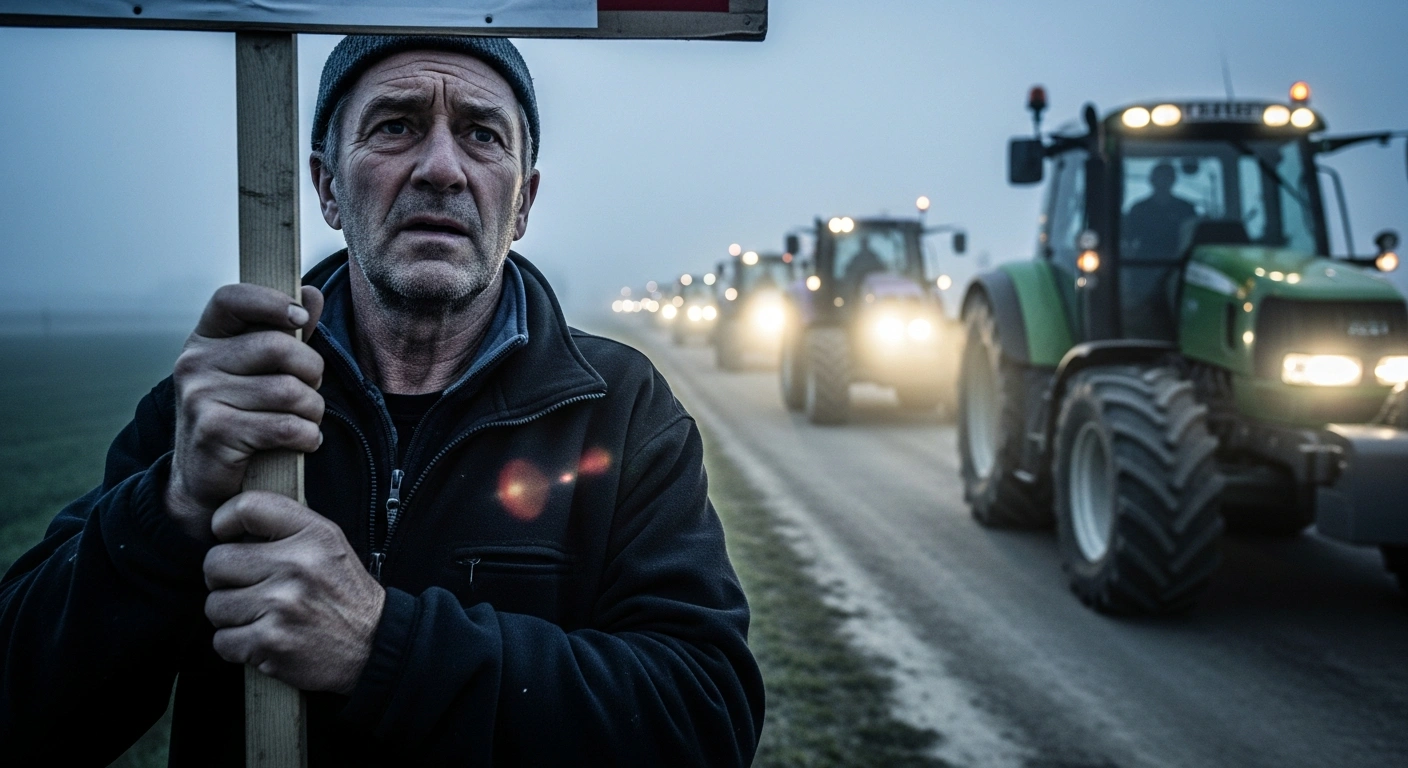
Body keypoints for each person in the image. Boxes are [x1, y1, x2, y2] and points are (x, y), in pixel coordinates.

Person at [0, 35, 763, 766]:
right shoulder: (223, 404)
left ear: (523, 203)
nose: (441, 167)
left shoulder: (620, 410)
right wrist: (169, 509)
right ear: (327, 186)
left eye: (481, 135)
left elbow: (703, 718)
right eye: (395, 126)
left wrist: (383, 646)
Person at [1122, 161, 1198, 261]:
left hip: (1179, 261)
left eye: (1167, 177)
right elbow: (1129, 238)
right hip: (1144, 263)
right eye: (1159, 177)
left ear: (1173, 180)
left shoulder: (1186, 208)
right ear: (1151, 180)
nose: (1163, 181)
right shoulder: (1139, 209)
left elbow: (1191, 238)